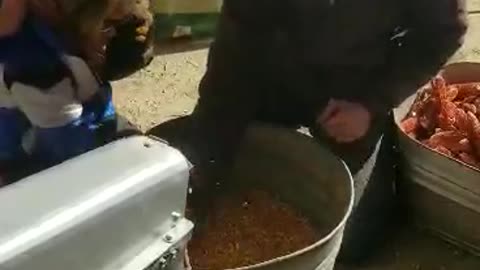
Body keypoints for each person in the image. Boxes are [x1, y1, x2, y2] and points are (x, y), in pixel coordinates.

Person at [149, 0, 468, 263]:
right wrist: (207, 149)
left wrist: (370, 104)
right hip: (275, 66)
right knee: (211, 164)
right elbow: (236, 43)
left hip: (359, 81)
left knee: (351, 236)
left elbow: (445, 31)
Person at [0, 0, 154, 185]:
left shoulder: (51, 31)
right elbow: (64, 142)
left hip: (74, 118)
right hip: (36, 153)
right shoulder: (32, 66)